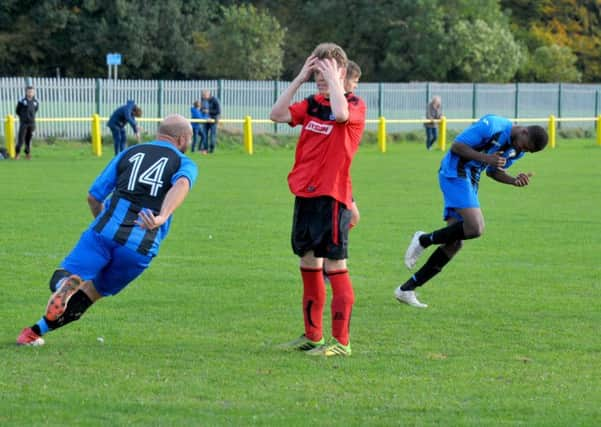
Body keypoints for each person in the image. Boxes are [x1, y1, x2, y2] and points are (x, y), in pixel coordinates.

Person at [16, 114, 197, 346]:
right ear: (182, 139)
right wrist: (162, 216)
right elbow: (182, 184)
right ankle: (33, 332)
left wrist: (103, 223)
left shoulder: (129, 153)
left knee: (66, 276)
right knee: (91, 293)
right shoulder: (184, 162)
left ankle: (64, 287)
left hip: (103, 233)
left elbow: (93, 197)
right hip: (139, 245)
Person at [270, 43, 366, 357]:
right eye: (318, 71)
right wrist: (300, 78)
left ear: (341, 70)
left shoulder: (354, 105)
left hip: (334, 198)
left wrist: (334, 80)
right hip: (306, 195)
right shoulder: (311, 104)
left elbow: (340, 114)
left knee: (336, 266)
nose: (321, 78)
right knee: (308, 263)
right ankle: (313, 336)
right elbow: (277, 114)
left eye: (327, 70)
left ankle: (341, 343)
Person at [395, 114, 548, 308]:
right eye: (524, 146)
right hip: (454, 170)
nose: (521, 150)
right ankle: (422, 239)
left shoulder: (516, 151)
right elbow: (456, 146)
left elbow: (493, 171)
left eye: (527, 151)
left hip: (471, 180)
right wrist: (486, 158)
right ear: (524, 131)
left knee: (454, 244)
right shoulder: (492, 125)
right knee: (476, 227)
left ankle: (406, 289)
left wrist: (513, 180)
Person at [15, 86, 39, 160]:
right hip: (24, 123)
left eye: (32, 92)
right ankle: (17, 154)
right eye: (29, 92)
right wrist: (23, 118)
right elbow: (17, 111)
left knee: (28, 140)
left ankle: (27, 154)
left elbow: (35, 110)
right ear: (26, 92)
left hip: (32, 124)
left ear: (34, 92)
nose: (30, 93)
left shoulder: (36, 102)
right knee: (21, 140)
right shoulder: (22, 101)